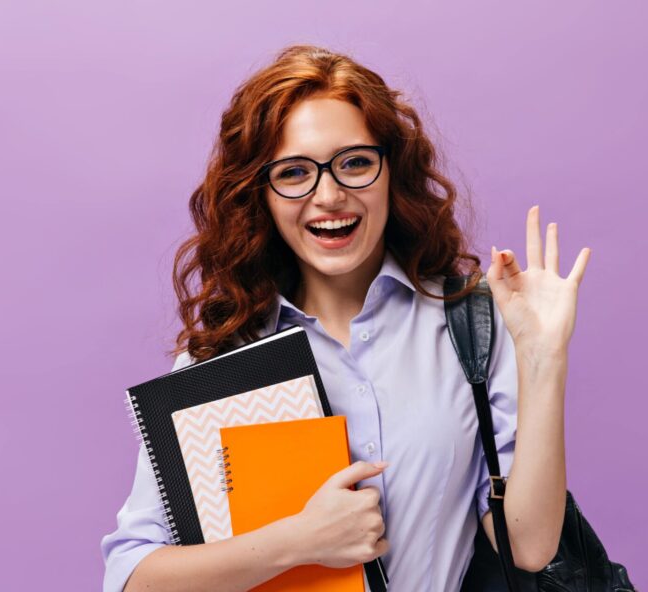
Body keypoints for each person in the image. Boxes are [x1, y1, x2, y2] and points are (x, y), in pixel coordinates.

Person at [101, 44, 592, 592]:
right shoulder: (223, 353)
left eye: (355, 162)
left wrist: (544, 358)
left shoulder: (468, 325)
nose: (329, 195)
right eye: (294, 172)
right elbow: (132, 577)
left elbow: (527, 546)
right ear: (258, 193)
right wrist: (300, 541)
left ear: (392, 171)